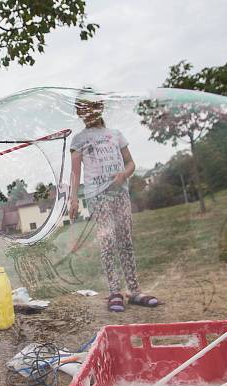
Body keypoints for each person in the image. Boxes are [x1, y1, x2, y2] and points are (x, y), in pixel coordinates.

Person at [68, 94, 158, 312]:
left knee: (125, 240)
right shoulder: (79, 140)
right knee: (107, 241)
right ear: (79, 114)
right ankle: (114, 292)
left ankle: (134, 291)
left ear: (99, 107)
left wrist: (123, 175)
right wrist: (73, 199)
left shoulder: (115, 134)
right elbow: (75, 172)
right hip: (97, 195)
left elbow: (131, 163)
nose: (87, 112)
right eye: (82, 109)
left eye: (91, 107)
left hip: (120, 193)